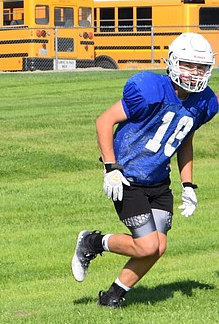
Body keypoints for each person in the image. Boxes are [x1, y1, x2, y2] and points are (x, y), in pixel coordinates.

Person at [72, 32, 218, 307]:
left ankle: (113, 296)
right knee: (147, 245)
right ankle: (92, 242)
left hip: (159, 182)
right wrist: (111, 168)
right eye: (189, 65)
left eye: (201, 67)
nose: (195, 73)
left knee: (158, 248)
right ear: (173, 62)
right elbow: (104, 121)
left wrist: (188, 185)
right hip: (128, 178)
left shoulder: (204, 101)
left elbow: (184, 137)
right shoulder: (150, 88)